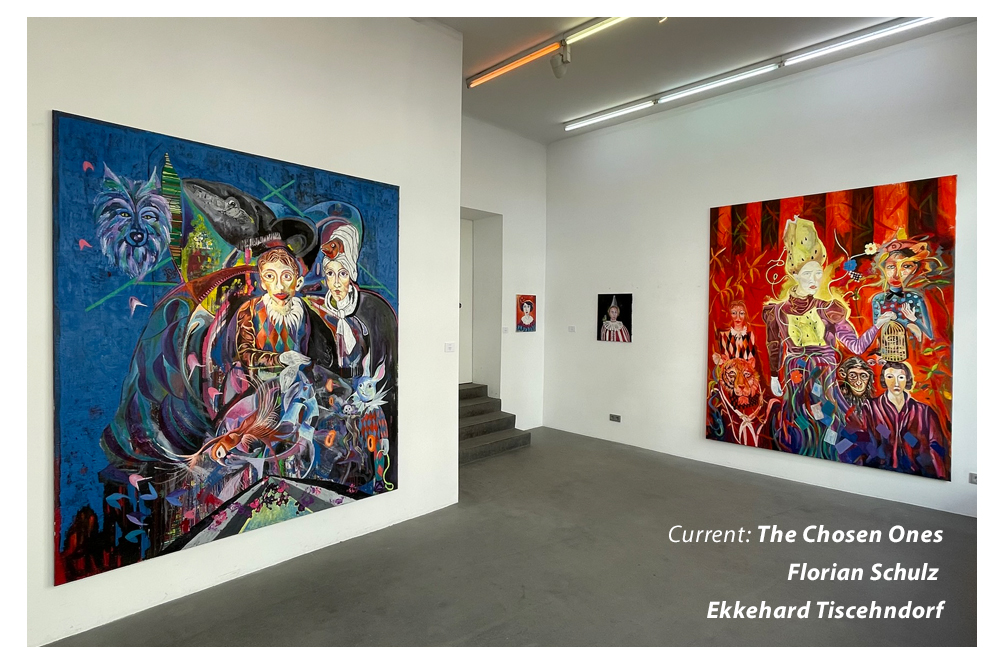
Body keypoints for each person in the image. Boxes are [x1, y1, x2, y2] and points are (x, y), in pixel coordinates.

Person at [763, 216, 894, 458]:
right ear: (794, 274)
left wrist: (877, 326)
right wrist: (773, 375)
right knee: (799, 426)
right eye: (808, 273)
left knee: (830, 425)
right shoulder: (777, 312)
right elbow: (774, 346)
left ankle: (832, 458)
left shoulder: (829, 309)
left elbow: (856, 346)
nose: (815, 280)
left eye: (818, 273)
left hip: (824, 381)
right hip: (796, 380)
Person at [235, 246, 311, 376]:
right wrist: (279, 359)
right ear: (263, 283)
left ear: (298, 283)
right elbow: (245, 354)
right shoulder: (250, 309)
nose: (279, 286)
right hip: (261, 383)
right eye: (270, 276)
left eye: (286, 276)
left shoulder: (306, 312)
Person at [865, 361, 949, 479]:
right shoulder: (871, 408)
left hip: (917, 472)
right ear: (884, 379)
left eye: (901, 377)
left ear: (907, 380)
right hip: (878, 470)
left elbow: (937, 446)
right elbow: (864, 439)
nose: (896, 383)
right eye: (890, 377)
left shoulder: (924, 412)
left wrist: (939, 474)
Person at [870, 234, 935, 351]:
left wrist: (914, 319)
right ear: (884, 268)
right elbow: (876, 335)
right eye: (891, 267)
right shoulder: (878, 299)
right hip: (887, 352)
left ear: (914, 269)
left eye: (906, 266)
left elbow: (929, 334)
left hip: (912, 351)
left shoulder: (916, 299)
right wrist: (901, 322)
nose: (896, 274)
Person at [713, 299, 757, 366]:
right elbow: (720, 359)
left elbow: (751, 358)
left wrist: (752, 361)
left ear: (745, 315)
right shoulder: (723, 334)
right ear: (730, 314)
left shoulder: (750, 335)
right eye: (734, 313)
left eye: (741, 313)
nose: (738, 317)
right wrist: (721, 358)